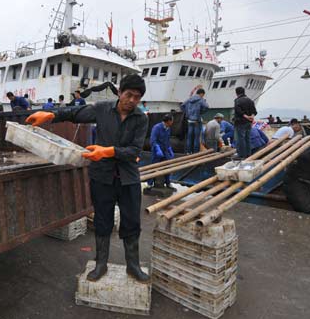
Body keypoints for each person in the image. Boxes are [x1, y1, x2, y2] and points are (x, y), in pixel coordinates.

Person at [25, 74, 150, 284]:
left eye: (137, 97)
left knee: (131, 221)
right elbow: (75, 112)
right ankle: (101, 263)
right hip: (102, 177)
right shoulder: (102, 109)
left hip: (128, 178)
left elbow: (134, 151)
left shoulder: (141, 118)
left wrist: (107, 151)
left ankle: (133, 265)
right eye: (128, 95)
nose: (132, 100)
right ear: (120, 92)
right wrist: (49, 115)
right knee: (102, 220)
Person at [149, 114, 174, 189]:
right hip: (157, 150)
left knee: (167, 165)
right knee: (154, 166)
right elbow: (153, 140)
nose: (172, 122)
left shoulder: (168, 128)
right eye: (172, 120)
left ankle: (168, 182)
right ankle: (150, 183)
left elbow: (167, 139)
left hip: (165, 149)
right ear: (169, 121)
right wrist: (157, 148)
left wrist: (170, 149)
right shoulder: (157, 127)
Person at [181, 88, 209, 154]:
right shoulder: (201, 100)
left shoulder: (189, 99)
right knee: (196, 138)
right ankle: (195, 152)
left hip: (189, 120)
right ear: (201, 94)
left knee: (189, 137)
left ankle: (188, 152)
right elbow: (207, 107)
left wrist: (187, 113)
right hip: (197, 121)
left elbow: (182, 106)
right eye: (203, 95)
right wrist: (201, 112)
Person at [233, 86, 257, 159]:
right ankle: (248, 154)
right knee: (247, 138)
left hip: (240, 122)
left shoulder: (237, 100)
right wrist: (251, 117)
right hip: (249, 123)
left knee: (241, 139)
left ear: (237, 93)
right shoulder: (250, 100)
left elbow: (238, 111)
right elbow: (254, 111)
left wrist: (246, 116)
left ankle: (241, 155)